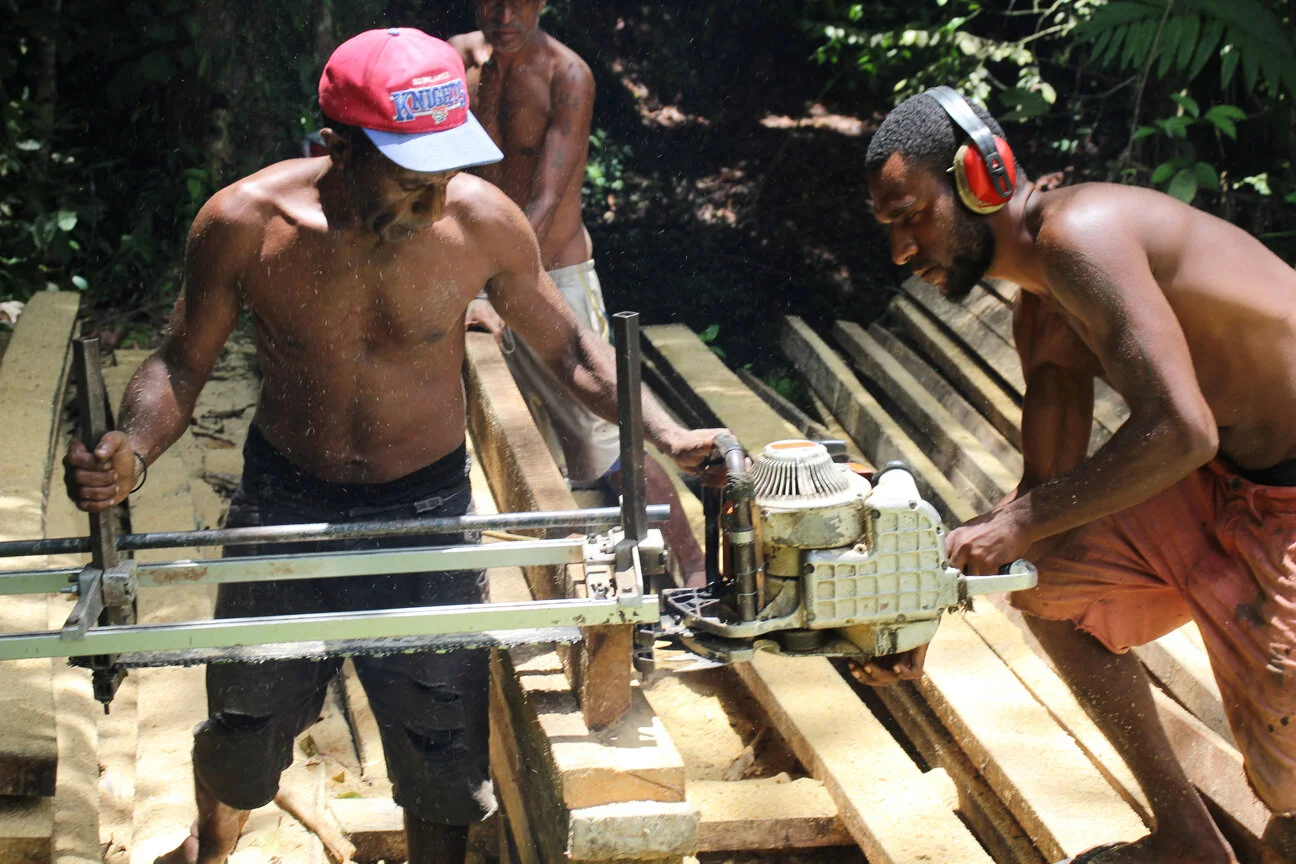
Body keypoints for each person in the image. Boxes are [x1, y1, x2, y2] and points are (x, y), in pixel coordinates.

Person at [62, 27, 723, 864]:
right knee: (242, 728)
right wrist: (133, 448)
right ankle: (213, 847)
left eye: (445, 178)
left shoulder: (483, 224)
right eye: (412, 185)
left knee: (442, 749)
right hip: (286, 504)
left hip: (428, 512)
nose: (434, 206)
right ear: (338, 147)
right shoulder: (246, 223)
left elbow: (569, 352)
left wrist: (664, 430)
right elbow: (179, 365)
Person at [857, 87, 1296, 864]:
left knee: (1288, 800)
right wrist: (919, 607)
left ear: (978, 177)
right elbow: (1037, 509)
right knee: (1044, 577)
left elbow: (1181, 427)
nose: (898, 250)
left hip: (1268, 487)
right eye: (887, 228)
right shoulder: (1041, 309)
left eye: (909, 216)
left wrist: (1018, 526)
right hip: (1231, 483)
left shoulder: (1082, 236)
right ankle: (1186, 839)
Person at [450, 0, 708, 587]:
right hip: (473, 279)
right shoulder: (452, 63)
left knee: (608, 440)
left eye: (520, 0)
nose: (505, 13)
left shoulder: (568, 76)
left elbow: (543, 199)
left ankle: (691, 563)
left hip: (549, 272)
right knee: (505, 437)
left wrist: (494, 287)